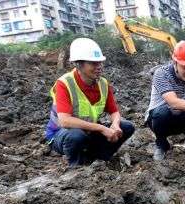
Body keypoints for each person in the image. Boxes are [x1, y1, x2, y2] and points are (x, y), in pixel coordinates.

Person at [45, 38, 135, 166]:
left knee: (126, 127)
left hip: (88, 132)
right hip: (60, 134)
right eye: (93, 63)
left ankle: (99, 158)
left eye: (100, 63)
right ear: (79, 64)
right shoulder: (64, 84)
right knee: (76, 136)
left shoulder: (103, 84)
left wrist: (115, 125)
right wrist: (102, 128)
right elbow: (64, 121)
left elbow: (114, 111)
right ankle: (76, 166)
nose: (99, 67)